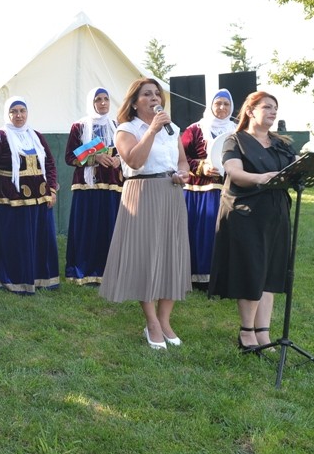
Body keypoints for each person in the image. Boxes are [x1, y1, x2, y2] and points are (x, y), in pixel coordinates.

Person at [99, 78, 191, 350]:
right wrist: (151, 129)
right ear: (135, 102)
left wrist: (183, 173)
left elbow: (182, 160)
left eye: (156, 94)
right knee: (146, 256)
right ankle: (151, 322)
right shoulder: (126, 129)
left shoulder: (172, 128)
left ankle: (165, 320)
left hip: (171, 192)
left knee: (171, 253)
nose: (154, 98)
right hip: (142, 192)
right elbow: (135, 161)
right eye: (147, 94)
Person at [209, 91, 297, 351]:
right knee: (252, 271)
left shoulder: (280, 143)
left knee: (270, 272)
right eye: (267, 107)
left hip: (276, 213)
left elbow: (294, 169)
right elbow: (234, 172)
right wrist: (261, 178)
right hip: (245, 212)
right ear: (250, 110)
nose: (272, 112)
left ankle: (264, 332)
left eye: (275, 109)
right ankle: (246, 331)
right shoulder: (234, 140)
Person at [0, 96, 59, 293]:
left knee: (40, 240)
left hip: (40, 199)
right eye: (14, 111)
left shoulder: (36, 136)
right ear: (8, 114)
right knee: (15, 242)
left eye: (22, 111)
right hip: (11, 200)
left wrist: (51, 190)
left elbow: (49, 163)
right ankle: (14, 278)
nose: (19, 115)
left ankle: (40, 277)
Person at [64, 87, 122, 285]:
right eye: (98, 99)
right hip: (87, 186)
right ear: (92, 102)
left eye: (106, 98)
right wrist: (93, 157)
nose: (103, 103)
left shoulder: (117, 126)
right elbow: (69, 157)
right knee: (87, 228)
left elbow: (125, 152)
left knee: (110, 226)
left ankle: (111, 272)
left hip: (112, 185)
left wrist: (119, 161)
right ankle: (84, 270)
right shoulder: (79, 126)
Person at [181, 89, 235, 288]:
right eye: (218, 103)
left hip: (228, 189)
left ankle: (222, 277)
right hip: (199, 191)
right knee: (200, 230)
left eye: (226, 104)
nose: (222, 108)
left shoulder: (237, 131)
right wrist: (201, 167)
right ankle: (197, 277)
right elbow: (180, 157)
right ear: (210, 105)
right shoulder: (194, 130)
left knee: (224, 231)